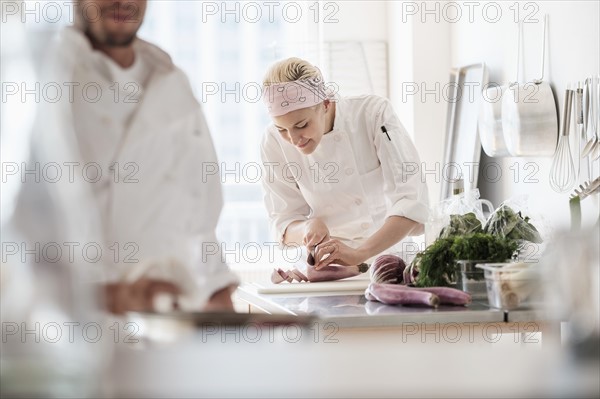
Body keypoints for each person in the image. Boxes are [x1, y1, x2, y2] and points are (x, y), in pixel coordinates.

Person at [12, 0, 238, 313]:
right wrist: (109, 297)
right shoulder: (37, 77)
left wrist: (218, 290)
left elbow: (201, 211)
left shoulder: (173, 82)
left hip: (167, 321)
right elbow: (17, 232)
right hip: (73, 323)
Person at [260, 58, 429, 270]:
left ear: (325, 103)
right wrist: (306, 228)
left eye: (301, 125)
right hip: (329, 267)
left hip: (391, 261)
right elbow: (282, 222)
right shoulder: (272, 142)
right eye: (282, 129)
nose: (294, 140)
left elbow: (412, 203)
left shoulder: (372, 114)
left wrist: (360, 253)